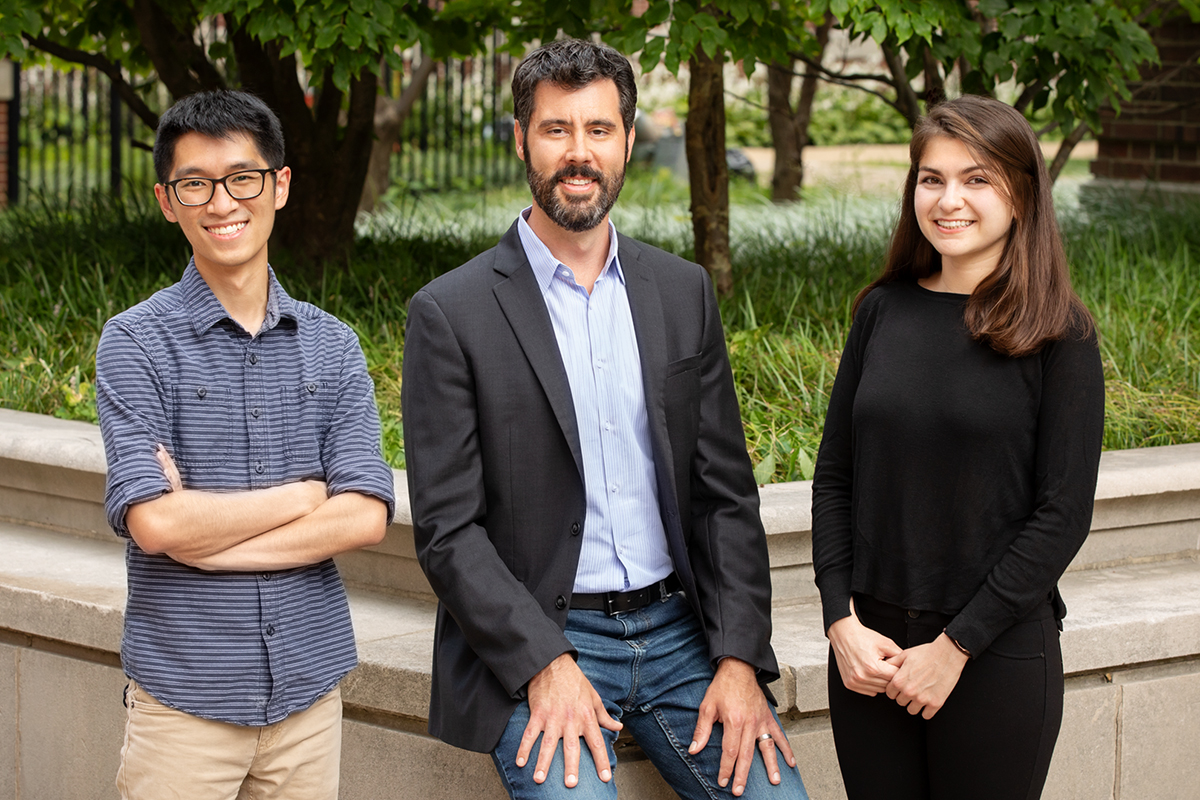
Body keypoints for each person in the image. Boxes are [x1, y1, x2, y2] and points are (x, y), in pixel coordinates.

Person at [402, 39, 809, 800]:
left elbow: (725, 494)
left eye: (599, 129)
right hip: (545, 637)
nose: (578, 153)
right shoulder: (451, 313)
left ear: (629, 140)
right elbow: (448, 531)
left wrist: (738, 659)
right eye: (556, 129)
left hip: (681, 633)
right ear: (521, 138)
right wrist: (542, 664)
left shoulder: (681, 291)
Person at [96, 90, 395, 800]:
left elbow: (364, 517)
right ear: (169, 201)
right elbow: (155, 522)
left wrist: (203, 538)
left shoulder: (334, 346)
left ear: (279, 185)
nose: (222, 202)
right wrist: (300, 496)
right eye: (195, 184)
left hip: (309, 700)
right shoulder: (134, 343)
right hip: (182, 705)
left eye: (242, 178)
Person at [810, 94, 1105, 799]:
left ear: (1023, 194)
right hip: (869, 653)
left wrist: (956, 648)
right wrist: (838, 621)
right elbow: (835, 479)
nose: (949, 200)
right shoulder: (882, 310)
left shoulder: (1060, 337)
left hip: (994, 653)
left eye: (977, 179)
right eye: (931, 178)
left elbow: (1061, 515)